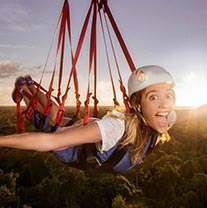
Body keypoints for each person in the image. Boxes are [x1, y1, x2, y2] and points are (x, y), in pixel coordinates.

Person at [0, 65, 176, 173]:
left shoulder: (165, 116)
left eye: (168, 96)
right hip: (72, 149)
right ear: (138, 106)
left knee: (54, 115)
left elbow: (181, 114)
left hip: (85, 136)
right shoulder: (116, 128)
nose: (164, 105)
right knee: (50, 120)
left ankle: (26, 88)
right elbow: (50, 141)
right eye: (153, 97)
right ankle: (25, 90)